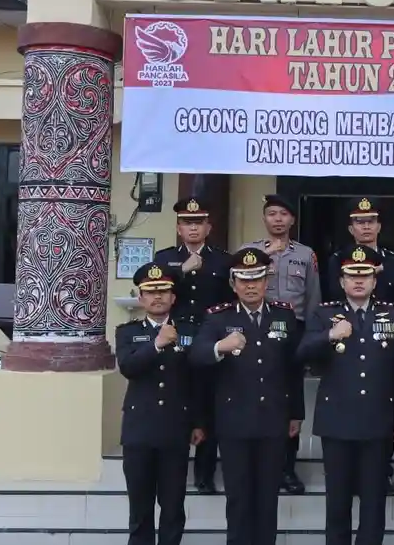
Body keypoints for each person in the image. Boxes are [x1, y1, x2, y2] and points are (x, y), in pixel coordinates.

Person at [298, 245, 394, 545]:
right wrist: (329, 336)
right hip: (336, 422)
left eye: (365, 275)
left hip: (377, 422)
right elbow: (300, 353)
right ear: (341, 281)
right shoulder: (325, 314)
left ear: (375, 280)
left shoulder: (393, 314)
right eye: (352, 275)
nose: (359, 281)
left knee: (373, 502)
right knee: (337, 503)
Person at [191, 248, 304, 545]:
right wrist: (220, 347)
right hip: (234, 423)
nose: (250, 286)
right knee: (239, 498)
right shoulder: (218, 318)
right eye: (244, 280)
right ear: (233, 283)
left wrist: (296, 413)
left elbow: (294, 368)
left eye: (256, 279)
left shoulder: (284, 314)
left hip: (274, 420)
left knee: (268, 498)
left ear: (267, 281)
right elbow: (197, 356)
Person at [115, 262, 206, 545]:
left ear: (173, 297)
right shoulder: (127, 332)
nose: (157, 297)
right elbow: (129, 367)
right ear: (141, 298)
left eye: (164, 292)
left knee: (172, 507)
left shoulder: (189, 330)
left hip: (174, 429)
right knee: (140, 509)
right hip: (139, 430)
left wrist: (199, 422)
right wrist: (156, 344)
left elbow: (198, 380)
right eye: (151, 292)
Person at [325, 197, 394, 494]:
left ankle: (382, 472)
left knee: (381, 411)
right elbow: (333, 299)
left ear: (379, 225)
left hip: (385, 339)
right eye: (359, 222)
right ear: (350, 227)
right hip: (348, 338)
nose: (366, 226)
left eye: (371, 221)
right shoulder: (337, 260)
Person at [240, 193, 319, 494]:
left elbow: (313, 299)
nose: (277, 219)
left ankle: (287, 468)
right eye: (272, 214)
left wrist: (312, 339)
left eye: (283, 214)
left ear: (292, 220)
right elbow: (235, 284)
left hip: (293, 331)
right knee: (255, 392)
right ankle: (254, 465)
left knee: (289, 398)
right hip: (255, 328)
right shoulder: (249, 251)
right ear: (264, 218)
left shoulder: (306, 254)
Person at [153, 196, 234, 494]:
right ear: (178, 227)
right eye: (188, 223)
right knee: (176, 400)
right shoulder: (164, 259)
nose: (193, 228)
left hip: (210, 339)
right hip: (175, 338)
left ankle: (204, 473)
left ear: (208, 226)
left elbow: (231, 301)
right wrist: (182, 270)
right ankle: (171, 469)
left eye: (198, 222)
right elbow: (154, 291)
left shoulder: (223, 260)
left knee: (208, 402)